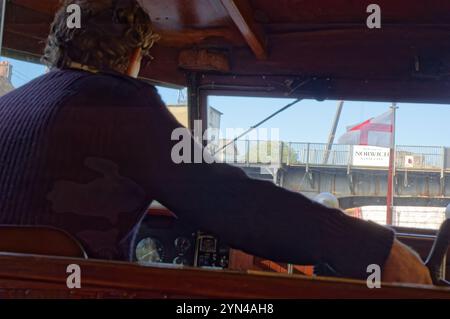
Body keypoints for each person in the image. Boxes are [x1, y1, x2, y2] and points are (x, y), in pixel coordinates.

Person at [0, 0, 431, 284]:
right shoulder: (119, 102)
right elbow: (227, 199)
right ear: (134, 56)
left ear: (57, 47)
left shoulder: (8, 105)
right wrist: (370, 247)